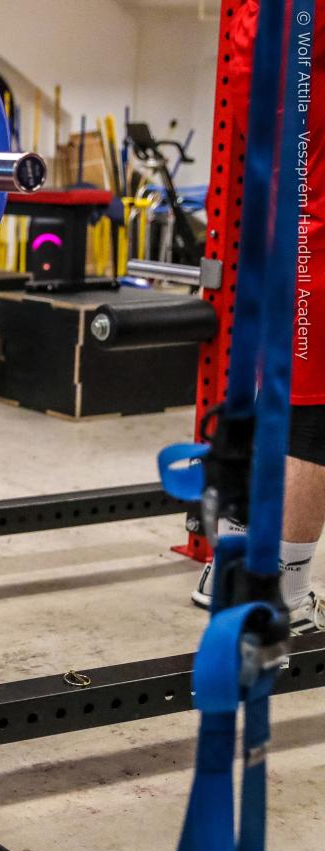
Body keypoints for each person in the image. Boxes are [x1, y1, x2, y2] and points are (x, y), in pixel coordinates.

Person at [192, 0, 325, 633]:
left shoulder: (252, 23)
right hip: (314, 252)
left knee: (275, 406)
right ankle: (282, 594)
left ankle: (234, 569)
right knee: (310, 423)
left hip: (282, 244)